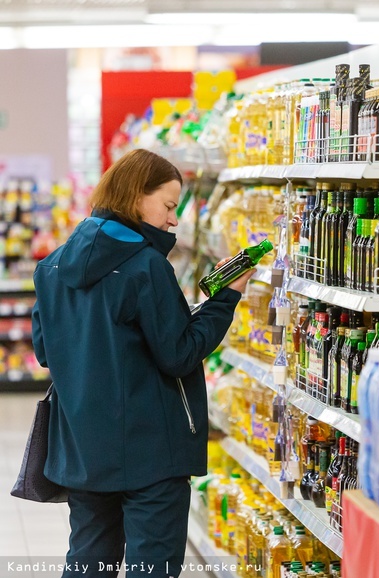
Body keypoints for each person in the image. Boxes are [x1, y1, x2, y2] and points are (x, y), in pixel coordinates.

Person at [31, 149, 255, 577]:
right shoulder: (146, 267)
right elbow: (179, 354)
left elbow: (47, 353)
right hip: (151, 451)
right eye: (169, 206)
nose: (174, 220)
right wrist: (225, 298)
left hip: (82, 447)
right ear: (137, 196)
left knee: (88, 561)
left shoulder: (52, 267)